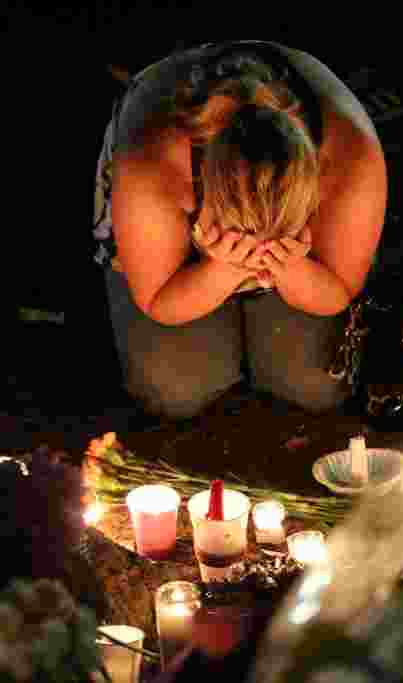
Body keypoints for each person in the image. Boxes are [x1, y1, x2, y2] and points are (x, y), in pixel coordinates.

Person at [93, 40, 386, 420]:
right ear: (201, 189)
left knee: (315, 389)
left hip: (295, 254)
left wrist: (292, 267)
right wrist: (221, 271)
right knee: (174, 393)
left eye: (281, 229)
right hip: (174, 234)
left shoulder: (352, 162)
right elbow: (158, 299)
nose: (258, 250)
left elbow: (338, 290)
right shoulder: (152, 166)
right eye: (242, 229)